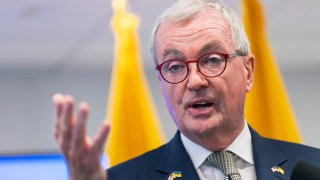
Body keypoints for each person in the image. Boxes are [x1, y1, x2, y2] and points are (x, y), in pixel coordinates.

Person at [53, 0, 320, 179]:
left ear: (248, 72)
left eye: (212, 60)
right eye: (174, 66)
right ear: (161, 82)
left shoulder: (311, 169)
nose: (194, 81)